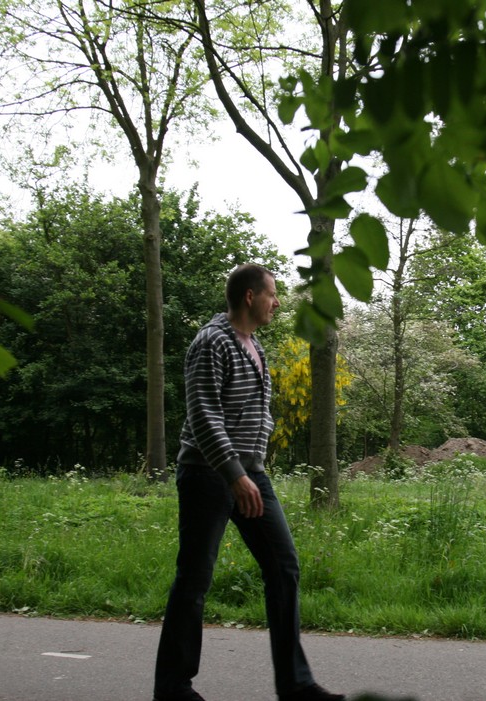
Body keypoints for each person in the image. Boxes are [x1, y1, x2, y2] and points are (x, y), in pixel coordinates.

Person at [153, 264, 345, 701]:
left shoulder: (254, 345)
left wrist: (249, 468)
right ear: (249, 296)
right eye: (272, 294)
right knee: (194, 579)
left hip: (250, 473)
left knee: (284, 567)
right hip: (208, 474)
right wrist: (234, 473)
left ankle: (295, 685)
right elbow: (204, 414)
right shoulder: (212, 341)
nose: (276, 303)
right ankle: (172, 689)